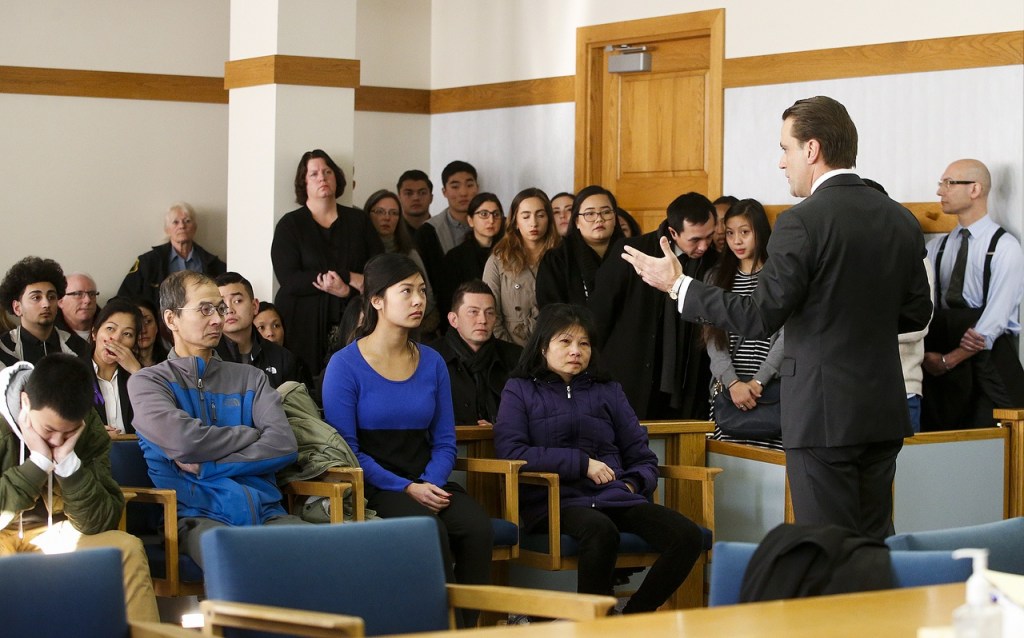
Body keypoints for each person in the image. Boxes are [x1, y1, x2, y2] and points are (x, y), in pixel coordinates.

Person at [622, 96, 932, 539]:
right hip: (881, 409)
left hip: (822, 414)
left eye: (785, 148)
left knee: (827, 548)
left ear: (812, 149)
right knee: (872, 545)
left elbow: (757, 315)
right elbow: (918, 311)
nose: (781, 162)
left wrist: (679, 285)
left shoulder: (801, 222)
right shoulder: (899, 219)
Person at [494, 304, 703, 613]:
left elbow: (642, 456)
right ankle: (593, 625)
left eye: (584, 343)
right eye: (565, 342)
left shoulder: (608, 390)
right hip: (555, 502)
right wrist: (582, 463)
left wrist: (632, 485)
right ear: (543, 347)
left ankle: (632, 619)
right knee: (600, 530)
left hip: (615, 496)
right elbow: (511, 452)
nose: (576, 351)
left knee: (687, 536)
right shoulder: (520, 390)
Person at [321, 254, 493, 616]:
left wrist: (429, 482)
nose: (419, 300)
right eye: (406, 291)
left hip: (426, 476)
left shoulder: (432, 361)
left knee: (477, 527)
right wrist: (407, 488)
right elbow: (347, 451)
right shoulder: (345, 365)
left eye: (421, 291)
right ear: (377, 300)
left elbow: (445, 441)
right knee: (429, 530)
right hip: (376, 485)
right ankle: (433, 627)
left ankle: (464, 628)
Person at [128, 271, 306, 568]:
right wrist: (250, 434)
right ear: (171, 319)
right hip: (196, 518)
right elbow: (185, 441)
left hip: (267, 512)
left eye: (220, 309)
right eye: (204, 309)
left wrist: (209, 465)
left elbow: (283, 445)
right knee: (235, 560)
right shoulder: (148, 382)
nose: (217, 319)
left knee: (332, 553)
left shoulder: (251, 377)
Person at [0, 354, 159, 622]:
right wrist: (38, 463)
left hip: (59, 532)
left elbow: (100, 520)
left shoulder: (89, 427)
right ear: (25, 402)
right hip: (5, 533)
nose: (57, 440)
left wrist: (69, 466)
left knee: (126, 549)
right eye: (49, 429)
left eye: (68, 433)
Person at [590, 192, 718, 420]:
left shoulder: (714, 262)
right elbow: (599, 316)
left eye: (709, 236)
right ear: (673, 233)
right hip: (632, 373)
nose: (705, 246)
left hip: (689, 380)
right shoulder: (632, 252)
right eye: (695, 240)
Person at [922, 159, 1024, 430]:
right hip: (940, 362)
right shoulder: (936, 248)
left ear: (975, 189)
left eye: (949, 183)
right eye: (941, 183)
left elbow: (994, 320)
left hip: (987, 363)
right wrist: (929, 357)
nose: (940, 191)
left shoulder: (1005, 248)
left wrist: (948, 360)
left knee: (989, 437)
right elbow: (925, 307)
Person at [271, 149, 382, 377]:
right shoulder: (290, 224)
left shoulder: (358, 220)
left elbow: (378, 266)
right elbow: (289, 279)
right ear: (304, 183)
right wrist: (349, 277)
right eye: (314, 174)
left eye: (327, 171)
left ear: (337, 178)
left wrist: (345, 292)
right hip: (303, 324)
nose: (322, 177)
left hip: (352, 318)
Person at [703, 200, 784, 449]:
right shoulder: (716, 277)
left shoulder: (780, 275)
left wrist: (758, 381)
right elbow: (712, 338)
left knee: (773, 464)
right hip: (730, 389)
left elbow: (787, 335)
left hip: (772, 387)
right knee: (728, 461)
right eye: (730, 233)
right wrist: (734, 383)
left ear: (760, 231)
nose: (737, 241)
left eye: (745, 232)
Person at [430, 280, 522, 426]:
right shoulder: (430, 358)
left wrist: (500, 430)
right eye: (473, 312)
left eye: (489, 313)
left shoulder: (516, 358)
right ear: (454, 319)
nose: (483, 320)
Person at [484, 188, 561, 347]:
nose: (533, 223)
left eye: (540, 215)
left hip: (554, 344)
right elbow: (490, 313)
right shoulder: (499, 260)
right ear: (515, 222)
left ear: (549, 219)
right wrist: (508, 350)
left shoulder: (561, 258)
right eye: (526, 216)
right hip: (510, 345)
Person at [117, 202, 227, 309]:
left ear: (195, 227)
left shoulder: (213, 264)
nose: (182, 226)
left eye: (187, 221)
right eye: (175, 222)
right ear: (167, 229)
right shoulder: (148, 262)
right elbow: (123, 298)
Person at [364, 189, 440, 336]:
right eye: (380, 211)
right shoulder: (358, 250)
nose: (387, 218)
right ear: (368, 214)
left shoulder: (409, 252)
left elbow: (428, 295)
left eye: (393, 213)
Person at [536, 185, 625, 308]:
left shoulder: (632, 254)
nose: (599, 219)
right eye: (590, 214)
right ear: (577, 221)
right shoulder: (557, 259)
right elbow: (552, 310)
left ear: (615, 218)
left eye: (606, 212)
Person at [215, 272, 308, 389]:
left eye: (237, 301)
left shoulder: (283, 359)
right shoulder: (206, 356)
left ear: (254, 306)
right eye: (221, 304)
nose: (229, 310)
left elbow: (296, 404)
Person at [0, 257, 90, 366]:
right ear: (17, 308)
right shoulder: (4, 348)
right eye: (36, 298)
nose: (46, 304)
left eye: (51, 297)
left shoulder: (77, 347)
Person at [437, 192, 504, 318]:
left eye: (496, 214)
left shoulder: (509, 254)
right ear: (470, 220)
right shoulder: (455, 257)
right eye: (484, 214)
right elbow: (447, 301)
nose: (491, 220)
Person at [416, 161, 480, 291]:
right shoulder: (428, 231)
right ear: (444, 192)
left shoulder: (492, 224)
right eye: (455, 186)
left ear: (477, 188)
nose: (463, 193)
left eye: (469, 185)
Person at [89, 299, 144, 436]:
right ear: (94, 333)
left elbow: (159, 423)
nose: (116, 339)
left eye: (127, 334)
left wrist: (137, 372)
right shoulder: (71, 374)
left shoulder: (140, 376)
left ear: (134, 343)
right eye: (110, 329)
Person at [57, 273, 100, 342]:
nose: (88, 300)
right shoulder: (49, 333)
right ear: (60, 301)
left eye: (92, 294)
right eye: (78, 294)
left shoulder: (109, 327)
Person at [132, 297, 168, 367]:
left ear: (157, 325)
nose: (143, 330)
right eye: (136, 324)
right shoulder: (116, 367)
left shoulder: (170, 361)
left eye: (148, 321)